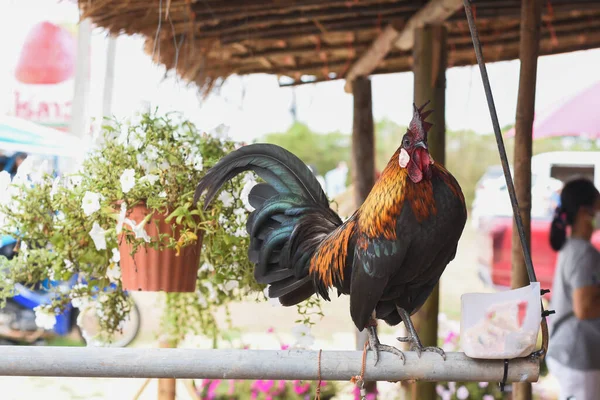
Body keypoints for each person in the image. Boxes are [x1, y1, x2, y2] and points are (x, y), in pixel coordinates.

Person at [546, 178, 600, 400]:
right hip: (578, 355)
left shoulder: (573, 247)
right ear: (584, 212)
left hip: (571, 352)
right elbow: (584, 309)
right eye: (597, 208)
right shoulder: (583, 253)